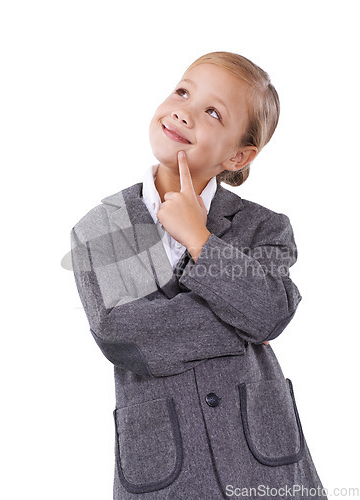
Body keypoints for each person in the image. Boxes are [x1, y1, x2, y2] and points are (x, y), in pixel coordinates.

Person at [70, 51, 328, 499]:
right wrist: (243, 323)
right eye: (183, 91)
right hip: (165, 469)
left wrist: (201, 242)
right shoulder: (101, 228)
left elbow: (269, 312)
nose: (184, 112)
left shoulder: (265, 228)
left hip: (265, 466)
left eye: (212, 111)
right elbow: (126, 337)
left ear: (239, 154)